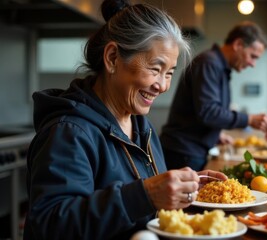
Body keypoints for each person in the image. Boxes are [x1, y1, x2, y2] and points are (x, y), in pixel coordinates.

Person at [23, 1, 227, 239]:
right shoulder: (69, 132)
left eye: (169, 73)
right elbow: (50, 225)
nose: (162, 85)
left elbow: (143, 206)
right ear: (112, 58)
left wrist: (183, 190)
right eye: (155, 68)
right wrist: (145, 195)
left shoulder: (142, 127)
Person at [160, 21, 267, 171]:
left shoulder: (216, 65)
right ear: (238, 44)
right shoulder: (209, 63)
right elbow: (208, 112)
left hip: (188, 149)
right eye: (252, 56)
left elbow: (200, 112)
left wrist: (214, 135)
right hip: (184, 152)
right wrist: (250, 119)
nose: (253, 64)